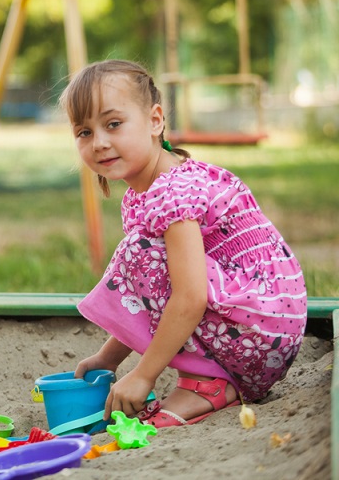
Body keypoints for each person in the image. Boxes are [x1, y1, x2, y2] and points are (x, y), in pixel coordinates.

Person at [61, 59, 307, 428]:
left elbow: (190, 296)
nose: (100, 142)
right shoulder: (154, 190)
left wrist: (143, 375)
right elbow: (154, 293)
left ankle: (206, 384)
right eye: (84, 132)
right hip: (262, 335)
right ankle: (211, 376)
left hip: (260, 336)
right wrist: (108, 359)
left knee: (138, 256)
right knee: (142, 256)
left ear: (155, 120)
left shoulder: (174, 191)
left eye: (114, 124)